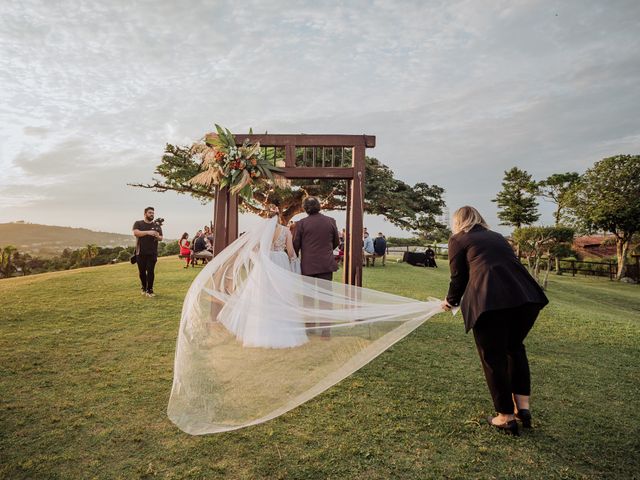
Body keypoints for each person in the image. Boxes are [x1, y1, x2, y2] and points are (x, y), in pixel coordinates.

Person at [441, 206, 548, 436]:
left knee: (493, 357)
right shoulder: (497, 236)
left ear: (458, 222)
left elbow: (458, 277)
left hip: (491, 301)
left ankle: (505, 417)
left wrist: (450, 301)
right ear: (479, 219)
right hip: (526, 298)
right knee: (514, 349)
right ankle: (523, 409)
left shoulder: (458, 239)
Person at [293, 197, 340, 337]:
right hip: (326, 265)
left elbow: (296, 245)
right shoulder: (331, 221)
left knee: (308, 299)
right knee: (326, 299)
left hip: (308, 266)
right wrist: (325, 251)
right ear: (319, 206)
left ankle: (310, 328)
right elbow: (336, 242)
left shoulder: (301, 224)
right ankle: (326, 331)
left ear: (305, 208)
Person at [132, 207, 163, 297]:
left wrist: (157, 235)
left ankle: (150, 290)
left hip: (152, 252)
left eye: (153, 213)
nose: (152, 214)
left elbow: (161, 238)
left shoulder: (157, 225)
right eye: (150, 213)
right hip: (140, 252)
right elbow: (136, 233)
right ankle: (144, 287)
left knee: (150, 271)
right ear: (145, 213)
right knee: (142, 272)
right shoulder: (138, 223)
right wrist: (148, 232)